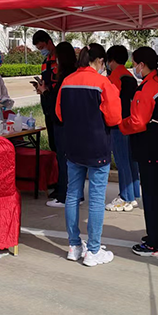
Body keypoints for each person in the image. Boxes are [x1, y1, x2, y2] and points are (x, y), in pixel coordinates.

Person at [55, 43, 122, 267]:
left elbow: (59, 114)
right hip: (97, 147)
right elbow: (114, 118)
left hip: (73, 146)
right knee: (95, 199)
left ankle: (74, 246)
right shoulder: (104, 83)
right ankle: (93, 250)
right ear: (100, 61)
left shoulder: (66, 81)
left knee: (72, 196)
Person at [121, 46, 158, 257]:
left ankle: (155, 243)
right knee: (156, 194)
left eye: (134, 63)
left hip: (149, 148)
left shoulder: (146, 88)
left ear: (142, 65)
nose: (133, 67)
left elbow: (137, 122)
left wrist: (120, 124)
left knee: (151, 196)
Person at [105, 45, 140, 212]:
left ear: (110, 60)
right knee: (131, 160)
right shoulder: (129, 75)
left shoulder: (114, 77)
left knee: (121, 160)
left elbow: (110, 101)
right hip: (131, 123)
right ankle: (133, 195)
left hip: (118, 124)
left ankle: (125, 197)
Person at [46, 42, 78, 208]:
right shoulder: (73, 73)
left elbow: (59, 100)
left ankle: (65, 196)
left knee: (64, 159)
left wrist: (46, 93)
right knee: (71, 161)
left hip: (62, 123)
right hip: (71, 123)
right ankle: (74, 194)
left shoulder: (66, 76)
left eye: (56, 58)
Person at [32, 31, 59, 178]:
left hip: (57, 107)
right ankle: (56, 177)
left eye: (42, 46)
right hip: (47, 107)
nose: (41, 50)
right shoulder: (45, 62)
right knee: (53, 144)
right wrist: (40, 87)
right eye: (38, 48)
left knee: (60, 146)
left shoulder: (59, 60)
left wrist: (48, 90)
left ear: (49, 42)